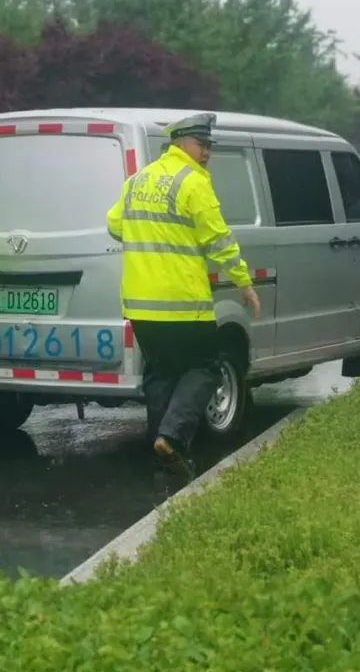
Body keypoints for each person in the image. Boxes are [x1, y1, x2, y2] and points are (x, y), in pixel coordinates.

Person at [106, 113, 260, 476]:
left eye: (208, 146)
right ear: (179, 144)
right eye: (201, 144)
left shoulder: (137, 180)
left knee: (161, 374)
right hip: (183, 304)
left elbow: (114, 224)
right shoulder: (193, 183)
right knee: (205, 367)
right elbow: (219, 241)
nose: (206, 152)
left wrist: (148, 240)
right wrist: (245, 284)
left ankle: (162, 452)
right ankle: (172, 437)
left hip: (142, 306)